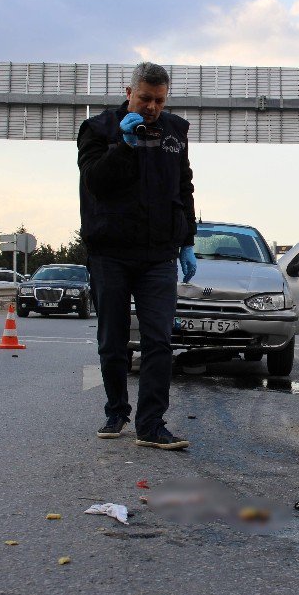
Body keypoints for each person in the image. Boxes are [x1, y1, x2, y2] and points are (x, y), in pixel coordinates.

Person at [78, 62, 197, 450]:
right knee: (113, 341)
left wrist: (187, 240)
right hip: (109, 252)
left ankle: (151, 425)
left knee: (159, 341)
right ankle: (116, 410)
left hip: (158, 253)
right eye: (145, 98)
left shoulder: (175, 131)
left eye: (159, 101)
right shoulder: (97, 130)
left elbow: (184, 186)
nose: (151, 107)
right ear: (128, 92)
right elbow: (96, 182)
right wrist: (123, 147)